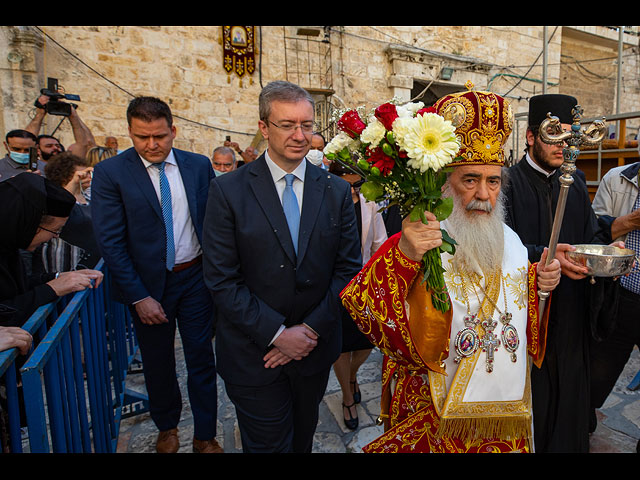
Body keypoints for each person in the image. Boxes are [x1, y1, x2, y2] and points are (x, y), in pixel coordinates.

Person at [340, 87, 561, 453]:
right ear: (445, 182)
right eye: (470, 180)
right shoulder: (418, 238)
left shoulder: (511, 240)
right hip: (432, 406)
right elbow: (363, 308)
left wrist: (538, 282)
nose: (484, 194)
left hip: (502, 414)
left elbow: (512, 299)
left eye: (493, 181)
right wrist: (404, 258)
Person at [202, 80, 362, 453]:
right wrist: (278, 335)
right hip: (253, 356)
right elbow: (222, 279)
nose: (299, 135)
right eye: (287, 125)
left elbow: (347, 270)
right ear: (263, 128)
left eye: (306, 125)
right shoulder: (229, 191)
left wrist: (306, 332)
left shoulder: (335, 191)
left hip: (313, 350)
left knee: (302, 439)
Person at [90, 96, 221, 454]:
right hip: (147, 286)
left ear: (173, 131)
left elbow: (213, 223)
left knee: (201, 359)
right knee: (157, 363)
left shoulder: (198, 166)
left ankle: (205, 434)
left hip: (195, 278)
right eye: (142, 137)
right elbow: (111, 242)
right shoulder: (111, 174)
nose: (152, 145)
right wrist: (139, 296)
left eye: (160, 136)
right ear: (130, 133)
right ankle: (168, 427)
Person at [503, 93, 612, 453]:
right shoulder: (506, 185)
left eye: (570, 137)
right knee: (537, 399)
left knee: (571, 402)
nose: (563, 146)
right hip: (531, 314)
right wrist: (545, 258)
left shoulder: (577, 182)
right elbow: (501, 250)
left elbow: (591, 234)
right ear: (531, 137)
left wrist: (598, 257)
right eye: (554, 135)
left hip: (573, 312)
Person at [0, 173, 103, 328]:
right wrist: (52, 289)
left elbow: (18, 287)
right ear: (29, 225)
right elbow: (6, 310)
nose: (55, 237)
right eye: (55, 230)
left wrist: (58, 278)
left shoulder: (9, 245)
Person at [328, 161, 386, 430]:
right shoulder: (325, 202)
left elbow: (378, 244)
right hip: (332, 285)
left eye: (357, 185)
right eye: (347, 185)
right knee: (340, 345)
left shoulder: (369, 203)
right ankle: (347, 397)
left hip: (362, 282)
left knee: (366, 341)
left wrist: (376, 282)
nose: (353, 191)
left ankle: (351, 376)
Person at [589, 155, 640, 450]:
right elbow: (595, 233)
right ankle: (583, 426)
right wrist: (633, 220)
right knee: (598, 373)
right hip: (621, 296)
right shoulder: (617, 179)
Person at [37, 152, 98, 272]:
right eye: (81, 175)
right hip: (63, 259)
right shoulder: (54, 198)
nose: (88, 178)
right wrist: (73, 183)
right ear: (64, 176)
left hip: (90, 259)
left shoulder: (88, 196)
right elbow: (64, 204)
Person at [26, 93, 96, 160]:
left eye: (57, 145)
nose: (55, 148)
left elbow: (86, 143)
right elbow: (26, 140)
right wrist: (40, 113)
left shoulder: (68, 165)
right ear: (38, 150)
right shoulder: (33, 164)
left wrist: (73, 116)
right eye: (49, 146)